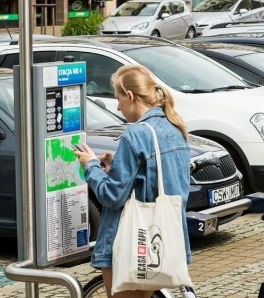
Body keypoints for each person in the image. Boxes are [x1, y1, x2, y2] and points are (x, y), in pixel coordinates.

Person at [73, 66, 192, 298]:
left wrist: (91, 166)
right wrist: (116, 165)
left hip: (128, 243)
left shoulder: (134, 135)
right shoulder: (175, 128)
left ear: (130, 96)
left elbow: (112, 196)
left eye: (118, 99)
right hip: (160, 238)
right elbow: (158, 178)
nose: (117, 107)